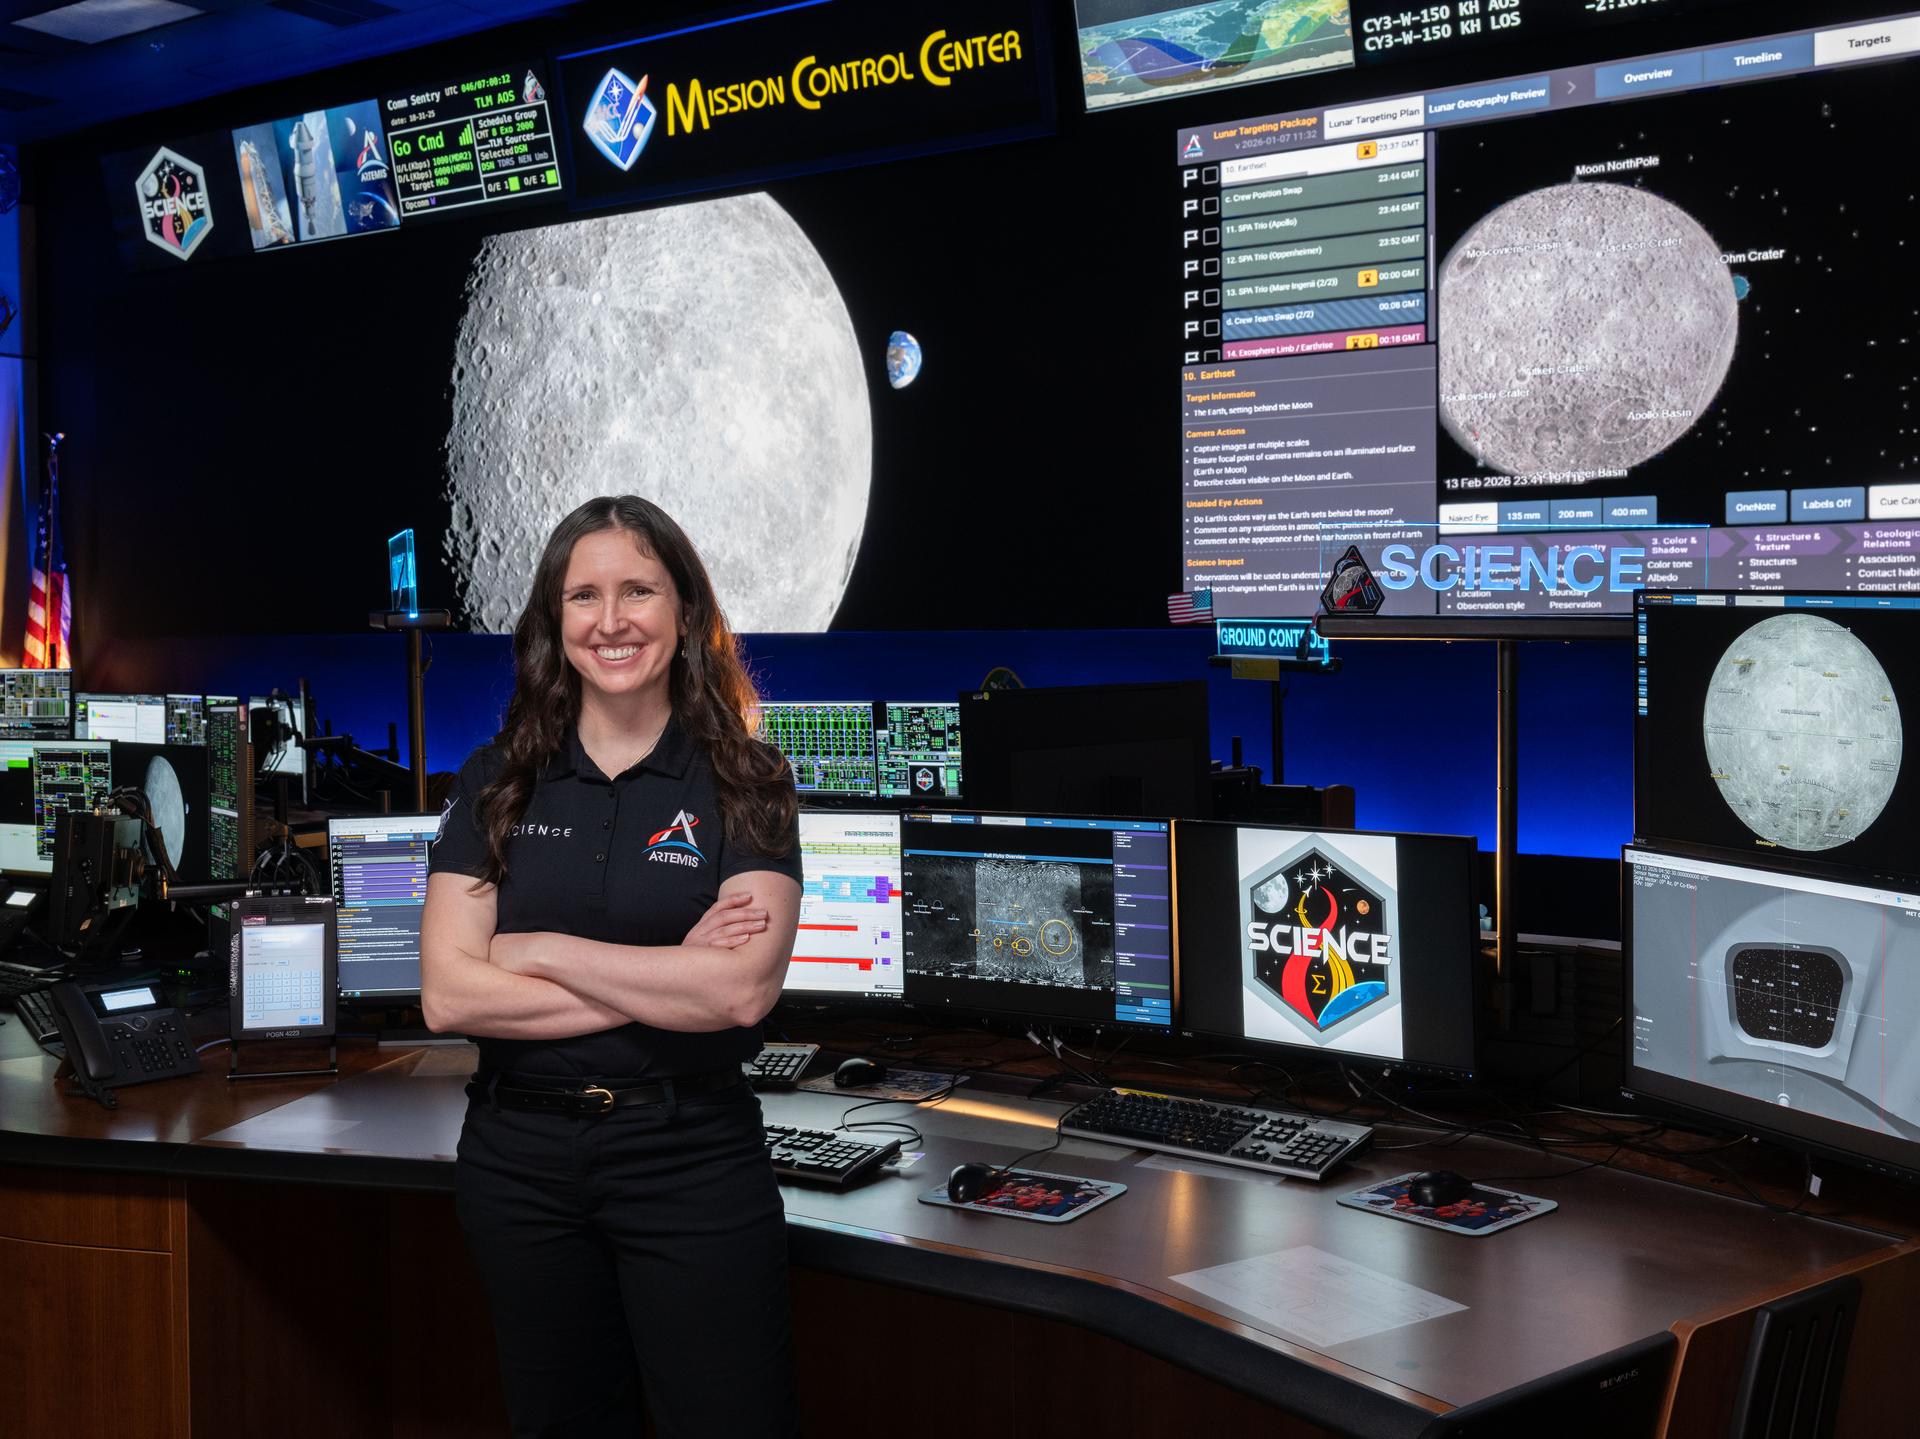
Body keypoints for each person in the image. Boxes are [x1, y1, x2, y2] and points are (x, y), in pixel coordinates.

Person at [421, 494, 803, 1438]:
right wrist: (670, 976)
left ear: (685, 611)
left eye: (639, 590)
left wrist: (536, 951)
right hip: (520, 1167)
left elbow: (739, 990)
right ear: (555, 620)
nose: (611, 619)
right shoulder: (496, 780)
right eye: (583, 596)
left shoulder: (748, 780)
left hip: (692, 1160)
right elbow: (449, 994)